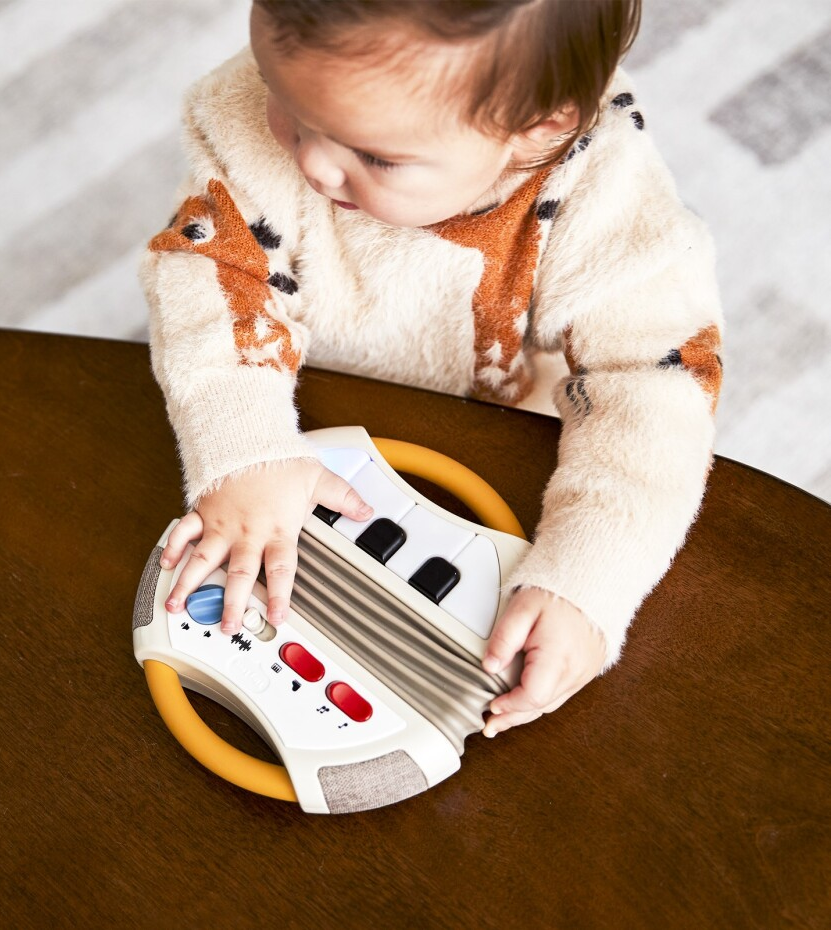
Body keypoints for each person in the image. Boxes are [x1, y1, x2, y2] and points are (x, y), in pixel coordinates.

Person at [140, 0, 723, 737]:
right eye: (283, 99)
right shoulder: (294, 93)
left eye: (376, 156)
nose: (312, 162)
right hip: (276, 410)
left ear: (540, 125)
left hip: (494, 421)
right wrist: (241, 447)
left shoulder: (604, 194)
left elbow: (656, 382)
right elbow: (208, 270)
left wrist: (587, 580)